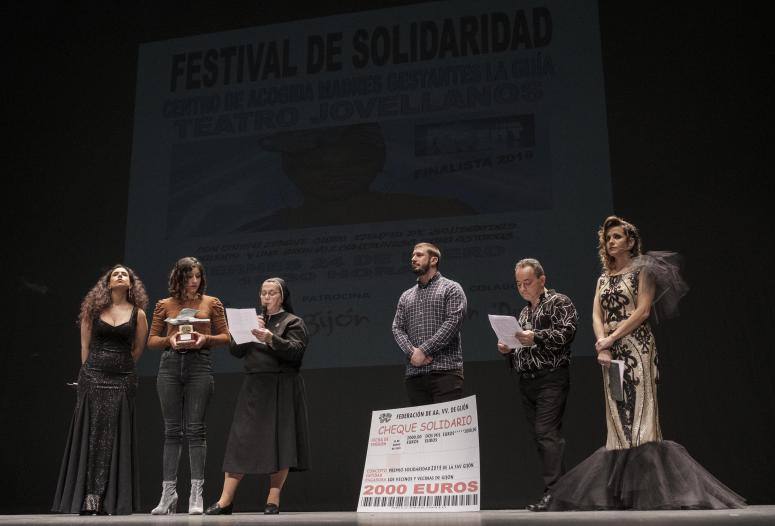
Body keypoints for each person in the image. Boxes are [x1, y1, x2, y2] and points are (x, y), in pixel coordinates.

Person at [547, 216, 745, 510]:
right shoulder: (603, 278)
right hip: (611, 352)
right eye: (608, 238)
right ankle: (621, 494)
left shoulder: (643, 271)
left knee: (640, 417)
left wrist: (611, 339)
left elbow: (641, 312)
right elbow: (596, 315)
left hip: (636, 347)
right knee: (617, 417)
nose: (611, 242)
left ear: (630, 241)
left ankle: (654, 492)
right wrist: (602, 344)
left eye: (616, 237)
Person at [236, 123, 476, 232]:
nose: (335, 172)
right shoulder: (259, 233)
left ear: (378, 159)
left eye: (352, 160)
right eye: (316, 164)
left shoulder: (443, 214)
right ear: (290, 167)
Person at [205, 277, 310, 515]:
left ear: (282, 297)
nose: (266, 297)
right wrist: (241, 332)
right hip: (254, 385)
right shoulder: (255, 321)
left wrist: (270, 338)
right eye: (263, 293)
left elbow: (297, 352)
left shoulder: (293, 322)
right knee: (239, 443)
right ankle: (225, 501)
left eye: (271, 293)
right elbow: (236, 351)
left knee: (279, 443)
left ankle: (273, 499)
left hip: (281, 385)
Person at [53, 264, 149, 515]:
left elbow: (138, 348)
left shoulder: (138, 313)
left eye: (124, 274)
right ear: (107, 283)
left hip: (123, 379)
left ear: (131, 284)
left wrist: (121, 367)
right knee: (93, 435)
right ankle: (88, 499)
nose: (119, 276)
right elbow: (85, 346)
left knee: (114, 436)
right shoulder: (93, 310)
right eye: (115, 274)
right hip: (93, 376)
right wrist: (86, 374)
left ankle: (108, 500)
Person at [148, 257, 230, 515]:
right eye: (189, 276)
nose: (194, 281)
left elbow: (226, 336)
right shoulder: (164, 305)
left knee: (196, 430)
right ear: (179, 278)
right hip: (170, 365)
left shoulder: (211, 302)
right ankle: (168, 494)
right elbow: (152, 340)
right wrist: (170, 341)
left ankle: (197, 493)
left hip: (199, 364)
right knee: (172, 431)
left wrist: (204, 338)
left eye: (198, 276)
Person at [496, 258, 577, 512]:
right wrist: (508, 349)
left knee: (546, 434)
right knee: (542, 438)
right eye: (519, 284)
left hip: (550, 377)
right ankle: (560, 495)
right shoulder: (523, 312)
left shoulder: (559, 302)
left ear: (542, 280)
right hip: (528, 381)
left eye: (527, 282)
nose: (523, 288)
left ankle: (554, 494)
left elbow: (567, 333)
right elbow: (525, 347)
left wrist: (536, 336)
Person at [392, 242, 467, 405]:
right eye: (412, 255)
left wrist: (424, 350)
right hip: (415, 375)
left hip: (445, 372)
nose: (413, 258)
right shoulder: (406, 296)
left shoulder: (451, 288)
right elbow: (397, 328)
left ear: (433, 260)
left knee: (447, 429)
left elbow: (453, 322)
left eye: (419, 255)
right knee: (421, 430)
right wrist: (412, 353)